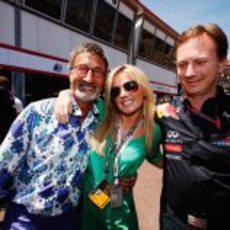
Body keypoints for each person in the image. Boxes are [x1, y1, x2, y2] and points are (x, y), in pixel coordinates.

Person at [0, 42, 108, 229]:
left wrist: (106, 201)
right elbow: (3, 165)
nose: (90, 78)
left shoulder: (105, 123)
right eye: (83, 69)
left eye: (98, 72)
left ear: (104, 80)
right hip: (25, 220)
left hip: (70, 220)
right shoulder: (37, 113)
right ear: (70, 73)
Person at [55, 64, 163, 229]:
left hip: (119, 210)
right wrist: (64, 96)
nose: (124, 94)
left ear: (144, 89)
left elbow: (158, 158)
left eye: (130, 86)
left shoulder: (153, 130)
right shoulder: (101, 112)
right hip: (87, 209)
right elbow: (78, 95)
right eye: (115, 91)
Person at [157, 24, 230, 230]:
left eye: (200, 62)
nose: (189, 73)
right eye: (182, 65)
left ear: (221, 64)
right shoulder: (163, 113)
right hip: (174, 224)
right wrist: (69, 97)